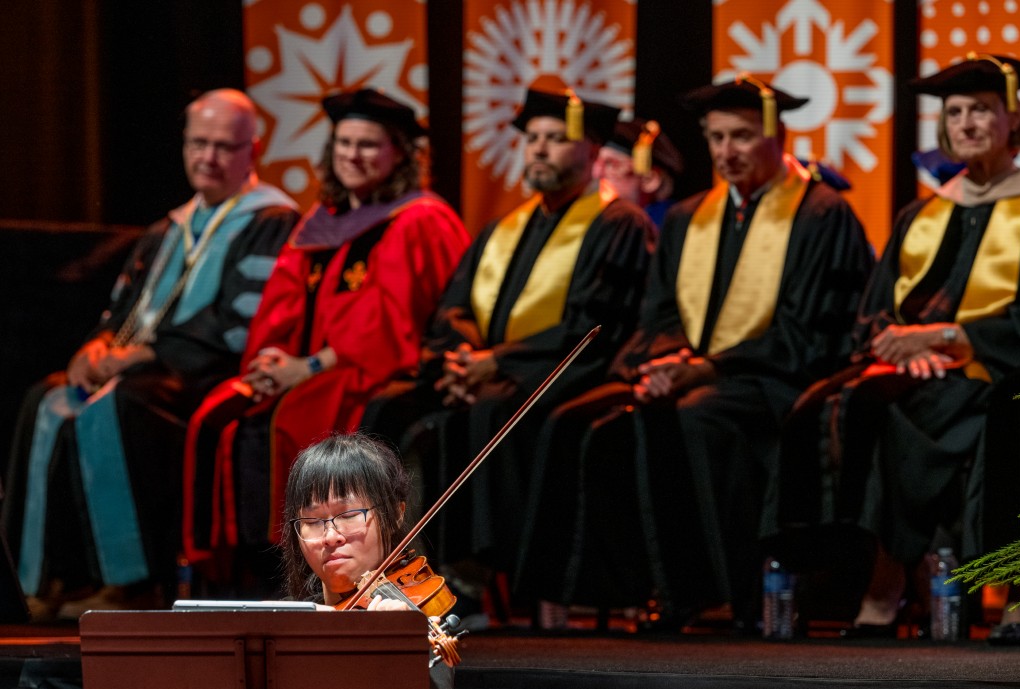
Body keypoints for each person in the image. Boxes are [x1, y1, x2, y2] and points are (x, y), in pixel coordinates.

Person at [514, 74, 873, 631]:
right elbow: (659, 315)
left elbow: (813, 331)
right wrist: (662, 363)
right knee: (592, 419)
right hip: (696, 376)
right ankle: (650, 593)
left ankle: (740, 597)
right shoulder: (687, 218)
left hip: (780, 380)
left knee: (697, 413)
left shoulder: (822, 214)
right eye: (716, 137)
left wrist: (704, 369)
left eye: (742, 136)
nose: (727, 151)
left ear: (776, 137)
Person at [767, 53, 1020, 637]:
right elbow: (878, 309)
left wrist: (956, 340)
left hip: (998, 367)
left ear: (1013, 119)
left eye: (981, 110)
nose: (964, 123)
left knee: (900, 409)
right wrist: (899, 344)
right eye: (954, 112)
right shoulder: (921, 212)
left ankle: (922, 583)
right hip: (917, 370)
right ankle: (847, 577)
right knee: (821, 405)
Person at [360, 77, 655, 616]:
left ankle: (474, 581)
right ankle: (387, 573)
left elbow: (596, 325)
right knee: (389, 404)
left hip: (551, 378)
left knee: (490, 410)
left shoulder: (619, 225)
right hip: (485, 374)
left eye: (554, 137)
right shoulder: (504, 227)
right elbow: (455, 308)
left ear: (591, 150)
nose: (539, 147)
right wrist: (459, 360)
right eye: (531, 137)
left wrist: (494, 364)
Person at [2, 89, 300, 617]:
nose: (207, 157)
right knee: (47, 399)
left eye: (223, 147)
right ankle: (48, 579)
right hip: (143, 368)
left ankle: (132, 583)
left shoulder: (270, 222)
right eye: (198, 143)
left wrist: (142, 357)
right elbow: (123, 310)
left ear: (251, 151)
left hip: (205, 375)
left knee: (120, 405)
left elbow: (239, 322)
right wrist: (98, 346)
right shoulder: (170, 226)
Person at [181, 88, 471, 589]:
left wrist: (311, 366)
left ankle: (295, 574)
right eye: (343, 144)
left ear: (398, 152)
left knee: (285, 422)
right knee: (224, 415)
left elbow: (391, 324)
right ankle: (229, 579)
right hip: (309, 366)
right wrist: (274, 356)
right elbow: (285, 300)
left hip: (368, 373)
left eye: (366, 145)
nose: (351, 157)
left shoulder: (420, 219)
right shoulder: (325, 221)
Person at [280, 432, 454, 689]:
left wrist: (403, 644)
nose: (330, 536)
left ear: (396, 514)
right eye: (312, 521)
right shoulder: (287, 620)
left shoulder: (410, 618)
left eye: (348, 515)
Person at [593, 118, 684, 228]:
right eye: (596, 161)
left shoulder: (666, 229)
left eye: (612, 164)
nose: (597, 173)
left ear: (649, 180)